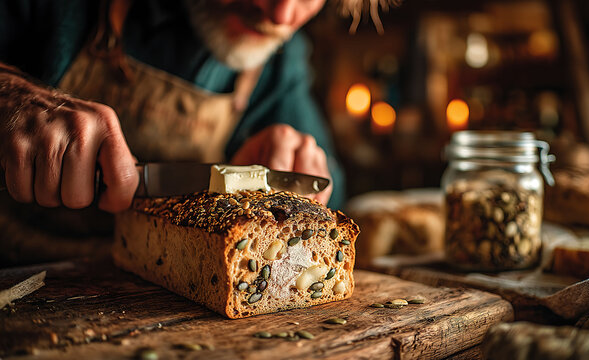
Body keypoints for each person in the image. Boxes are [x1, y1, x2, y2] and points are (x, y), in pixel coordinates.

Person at [0, 0, 346, 264]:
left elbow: (336, 188)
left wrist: (304, 156)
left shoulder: (279, 59)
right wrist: (10, 97)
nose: (282, 15)